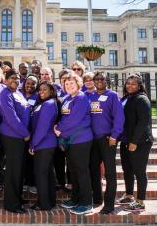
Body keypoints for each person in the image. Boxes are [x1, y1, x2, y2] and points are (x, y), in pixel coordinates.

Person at [55, 74, 93, 215]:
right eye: (67, 84)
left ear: (79, 84)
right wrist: (60, 129)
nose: (69, 86)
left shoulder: (81, 98)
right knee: (73, 171)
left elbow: (73, 119)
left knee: (81, 171)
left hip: (81, 140)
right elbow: (64, 117)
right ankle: (75, 198)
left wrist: (59, 129)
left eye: (72, 83)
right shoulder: (67, 98)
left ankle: (86, 203)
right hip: (70, 140)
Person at [89, 71, 125, 214]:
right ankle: (97, 198)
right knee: (93, 168)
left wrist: (114, 135)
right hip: (93, 139)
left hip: (107, 139)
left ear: (107, 81)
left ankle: (109, 203)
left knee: (110, 172)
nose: (98, 81)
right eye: (96, 79)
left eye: (102, 79)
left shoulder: (112, 95)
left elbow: (119, 117)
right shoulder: (90, 96)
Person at [118, 74, 153, 212]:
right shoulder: (127, 98)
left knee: (139, 171)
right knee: (127, 170)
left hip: (139, 142)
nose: (130, 86)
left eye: (133, 84)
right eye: (128, 83)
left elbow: (143, 122)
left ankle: (140, 201)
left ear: (139, 86)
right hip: (126, 140)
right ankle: (129, 195)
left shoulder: (142, 99)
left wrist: (134, 141)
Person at [0, 69, 31, 213]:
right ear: (5, 80)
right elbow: (11, 118)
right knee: (13, 170)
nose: (15, 80)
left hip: (20, 137)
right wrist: (25, 134)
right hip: (13, 136)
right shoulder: (5, 94)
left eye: (17, 78)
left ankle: (17, 196)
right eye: (12, 78)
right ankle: (11, 204)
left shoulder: (18, 93)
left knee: (19, 169)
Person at [29, 81, 58, 211]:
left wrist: (33, 144)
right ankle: (50, 201)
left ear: (51, 91)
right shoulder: (44, 104)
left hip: (44, 143)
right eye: (39, 90)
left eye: (44, 89)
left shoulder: (49, 104)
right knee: (47, 174)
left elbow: (42, 127)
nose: (41, 92)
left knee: (41, 174)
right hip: (45, 143)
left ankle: (43, 204)